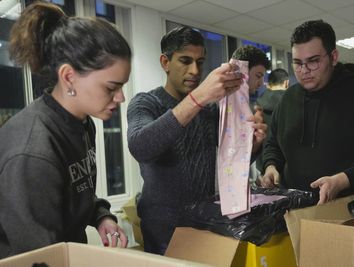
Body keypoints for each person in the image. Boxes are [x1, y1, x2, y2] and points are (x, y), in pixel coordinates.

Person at [0, 2, 131, 258]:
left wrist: (102, 216)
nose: (121, 98)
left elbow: (75, 191)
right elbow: (39, 259)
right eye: (111, 87)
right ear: (69, 77)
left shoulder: (82, 122)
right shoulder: (33, 152)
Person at [127, 27, 267, 255]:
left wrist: (254, 143)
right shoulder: (145, 103)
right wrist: (199, 97)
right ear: (165, 62)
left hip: (204, 224)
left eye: (200, 62)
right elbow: (141, 147)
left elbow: (229, 158)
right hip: (163, 231)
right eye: (185, 60)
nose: (194, 70)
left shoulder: (207, 111)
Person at [258, 20, 354, 205]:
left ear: (333, 57)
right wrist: (271, 166)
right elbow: (273, 143)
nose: (304, 71)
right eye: (297, 63)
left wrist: (343, 179)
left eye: (313, 61)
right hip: (293, 210)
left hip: (352, 209)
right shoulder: (287, 99)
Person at [255, 68, 289, 172]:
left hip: (263, 166)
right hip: (286, 167)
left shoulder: (258, 106)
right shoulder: (291, 103)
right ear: (286, 83)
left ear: (268, 84)